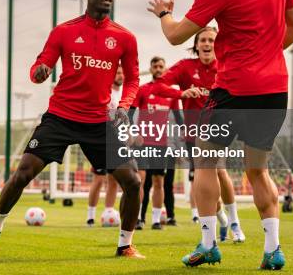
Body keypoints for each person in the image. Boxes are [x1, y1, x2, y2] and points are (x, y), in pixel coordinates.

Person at [148, 0, 293, 269]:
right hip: (274, 90)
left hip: (234, 90)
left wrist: (164, 13)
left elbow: (175, 36)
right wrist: (266, 54)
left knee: (204, 162)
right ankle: (273, 250)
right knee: (257, 171)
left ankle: (207, 244)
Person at [0, 0, 144, 258]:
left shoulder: (125, 37)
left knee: (133, 182)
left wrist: (124, 106)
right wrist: (40, 73)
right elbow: (40, 66)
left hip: (98, 122)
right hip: (61, 117)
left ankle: (125, 245)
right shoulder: (64, 31)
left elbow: (133, 79)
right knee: (23, 174)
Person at [153, 27, 246, 242]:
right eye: (202, 40)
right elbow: (159, 86)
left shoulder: (226, 66)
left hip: (217, 129)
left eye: (211, 40)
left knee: (220, 171)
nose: (206, 44)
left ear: (218, 44)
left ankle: (235, 224)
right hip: (192, 136)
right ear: (196, 45)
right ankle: (220, 217)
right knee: (204, 179)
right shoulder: (185, 67)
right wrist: (180, 92)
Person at [131, 56, 191, 230]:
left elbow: (179, 118)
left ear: (165, 70)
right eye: (155, 66)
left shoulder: (171, 95)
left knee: (159, 181)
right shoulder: (142, 90)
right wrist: (133, 132)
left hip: (162, 144)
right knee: (141, 180)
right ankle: (139, 219)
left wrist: (185, 131)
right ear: (150, 69)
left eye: (161, 66)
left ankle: (156, 220)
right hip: (143, 143)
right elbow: (131, 112)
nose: (158, 69)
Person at [86, 66, 122, 226]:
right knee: (99, 178)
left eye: (122, 73)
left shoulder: (124, 94)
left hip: (118, 140)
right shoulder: (105, 91)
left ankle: (108, 214)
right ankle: (90, 216)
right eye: (117, 72)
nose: (120, 75)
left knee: (113, 179)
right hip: (101, 138)